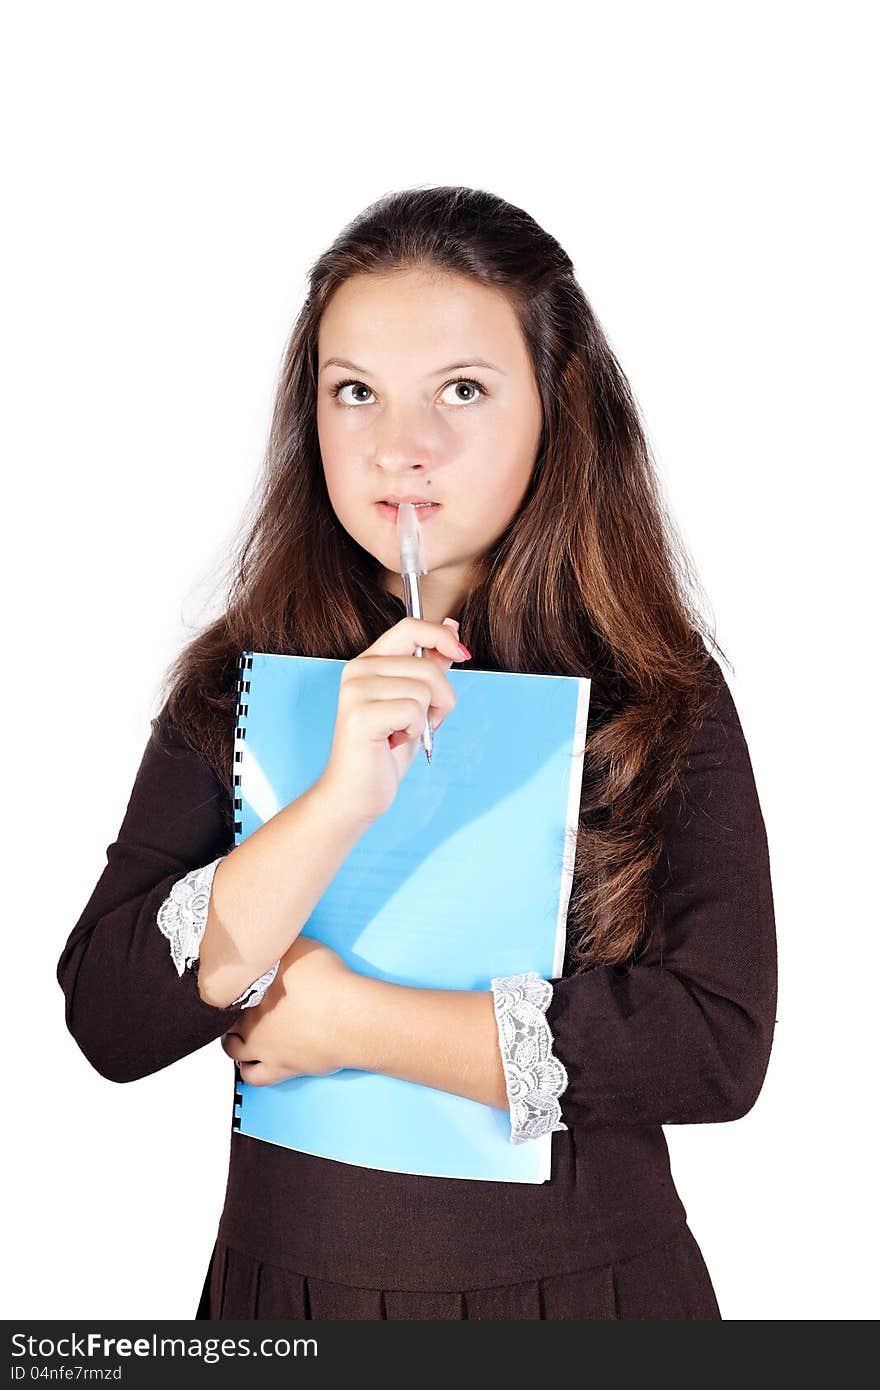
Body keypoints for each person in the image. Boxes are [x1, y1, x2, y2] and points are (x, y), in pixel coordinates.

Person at [56, 185, 777, 1320]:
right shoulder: (236, 677)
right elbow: (108, 1016)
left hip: (585, 1302)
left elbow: (716, 1045)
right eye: (356, 393)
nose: (403, 447)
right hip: (282, 1302)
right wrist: (337, 801)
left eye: (462, 390)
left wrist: (351, 1021)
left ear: (557, 407)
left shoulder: (653, 688)